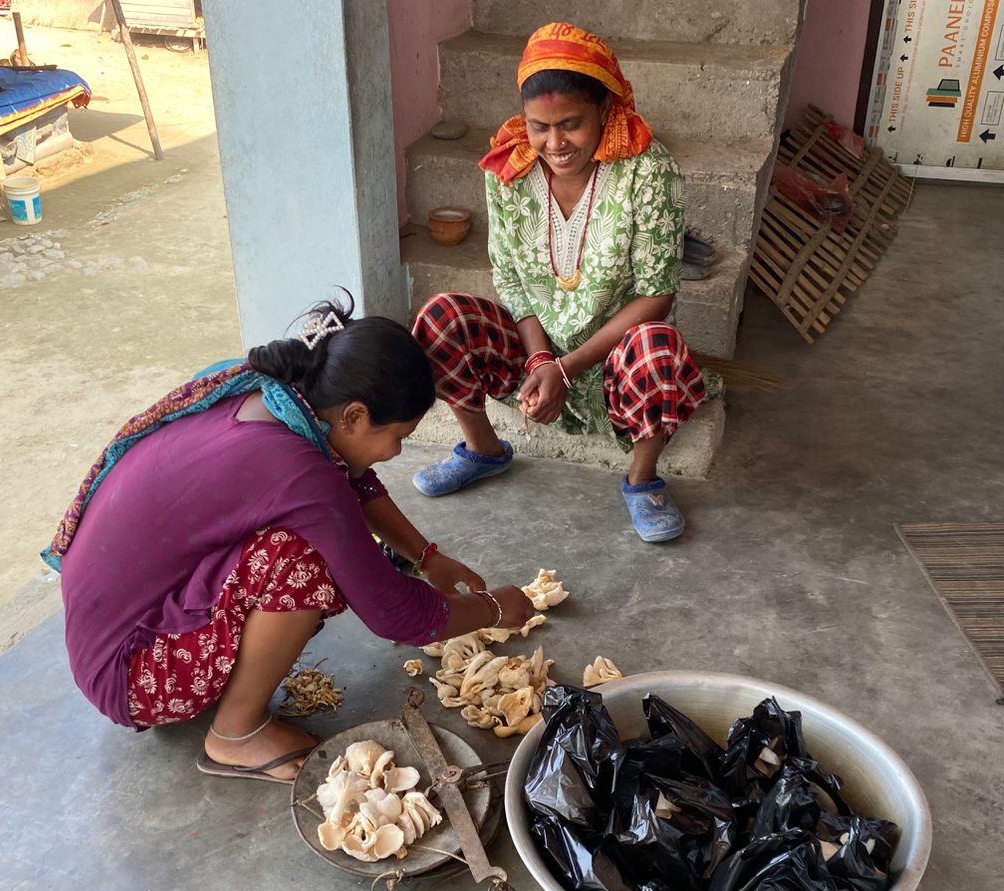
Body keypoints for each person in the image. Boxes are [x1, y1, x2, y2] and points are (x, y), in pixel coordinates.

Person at [44, 297, 536, 783]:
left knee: (313, 530)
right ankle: (235, 735)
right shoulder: (294, 467)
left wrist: (427, 556)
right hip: (131, 676)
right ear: (354, 416)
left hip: (114, 630)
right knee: (303, 560)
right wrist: (494, 608)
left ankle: (219, 682)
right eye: (398, 436)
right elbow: (395, 613)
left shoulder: (268, 393)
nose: (396, 451)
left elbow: (350, 481)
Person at [410, 21, 718, 543]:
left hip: (616, 358)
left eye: (571, 124)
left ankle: (642, 480)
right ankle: (483, 449)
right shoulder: (508, 169)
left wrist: (567, 368)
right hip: (536, 351)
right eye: (539, 127)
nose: (555, 144)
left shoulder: (648, 170)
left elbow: (657, 292)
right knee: (441, 319)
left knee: (659, 349)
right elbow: (511, 280)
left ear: (605, 109)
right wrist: (540, 361)